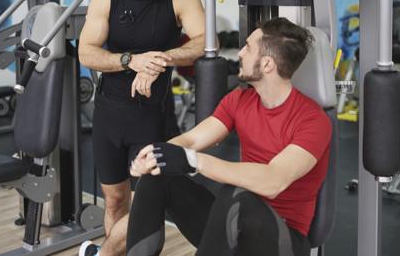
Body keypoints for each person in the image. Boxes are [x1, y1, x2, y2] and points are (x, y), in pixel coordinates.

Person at [127, 17, 332, 256]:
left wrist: (194, 161)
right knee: (159, 173)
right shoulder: (240, 99)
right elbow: (192, 140)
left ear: (267, 64)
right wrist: (156, 156)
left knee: (236, 194)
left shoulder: (313, 120)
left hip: (283, 241)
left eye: (247, 47)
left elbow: (273, 181)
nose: (241, 53)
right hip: (233, 223)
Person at [78, 0, 205, 256]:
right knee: (115, 200)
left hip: (153, 115)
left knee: (148, 204)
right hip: (109, 112)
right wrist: (132, 61)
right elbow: (87, 52)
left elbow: (203, 43)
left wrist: (159, 60)